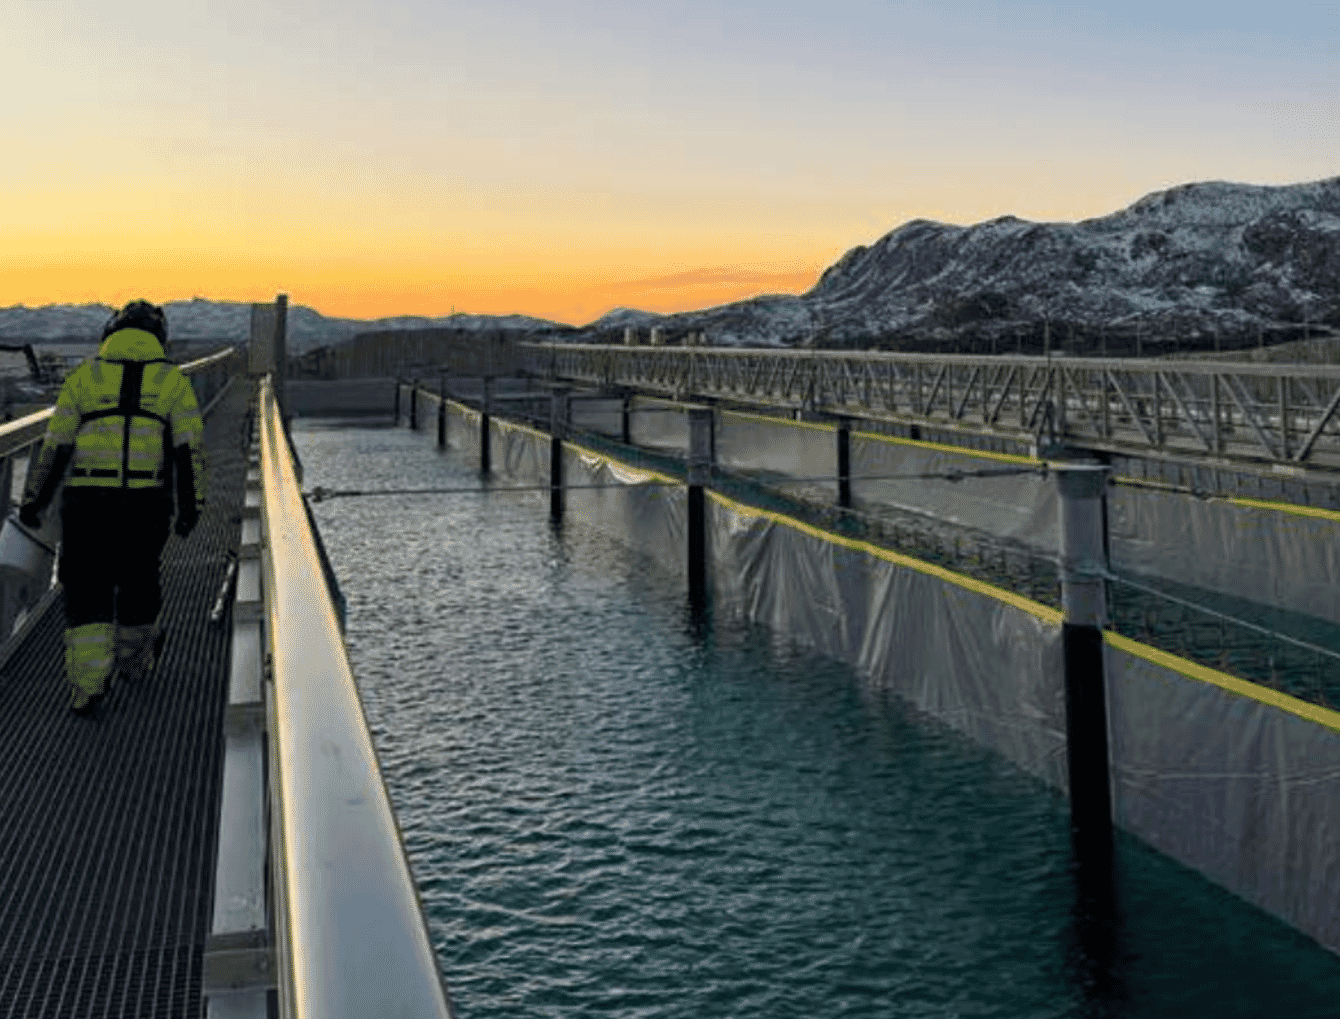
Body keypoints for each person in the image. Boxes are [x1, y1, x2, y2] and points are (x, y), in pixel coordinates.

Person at [20, 300, 206, 716]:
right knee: (139, 585)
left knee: (86, 593)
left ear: (111, 332)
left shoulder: (83, 378)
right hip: (145, 505)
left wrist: (34, 502)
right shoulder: (173, 381)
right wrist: (191, 508)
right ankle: (133, 662)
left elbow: (55, 449)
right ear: (158, 337)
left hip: (86, 506)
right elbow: (189, 452)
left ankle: (88, 686)